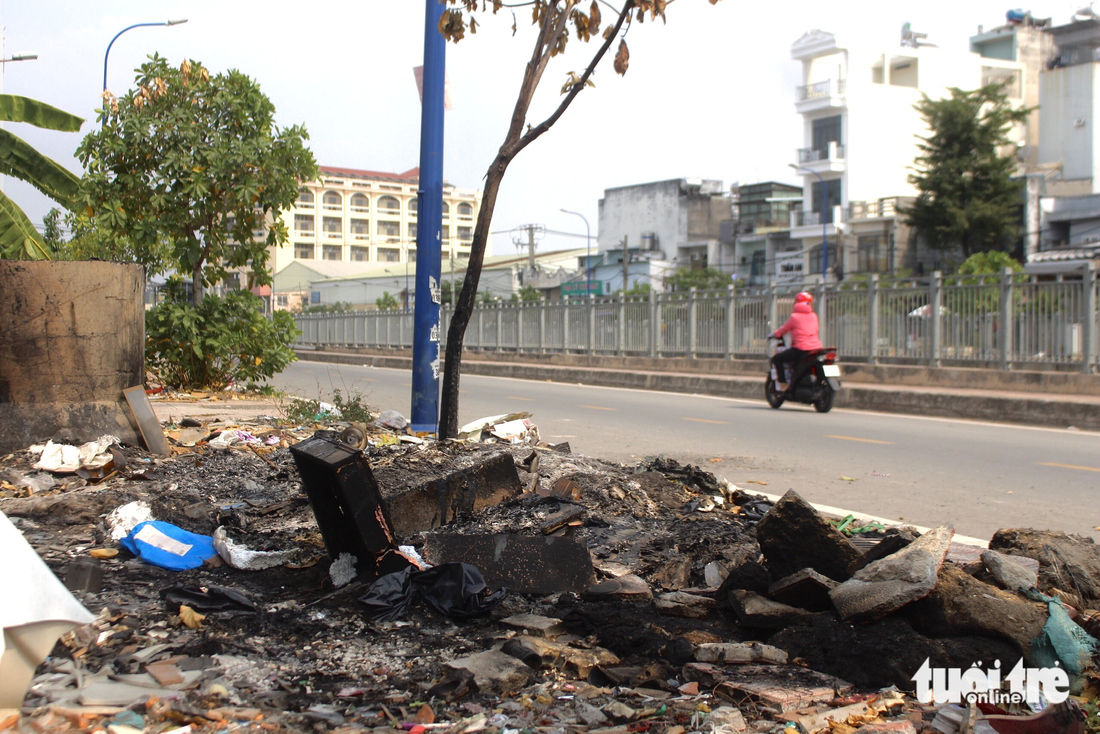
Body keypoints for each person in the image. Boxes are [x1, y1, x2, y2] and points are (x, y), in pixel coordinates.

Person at [770, 291, 823, 392]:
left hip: (801, 349)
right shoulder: (814, 316)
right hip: (816, 348)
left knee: (777, 358)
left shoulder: (794, 317)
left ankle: (783, 383)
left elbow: (783, 330)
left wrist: (775, 334)